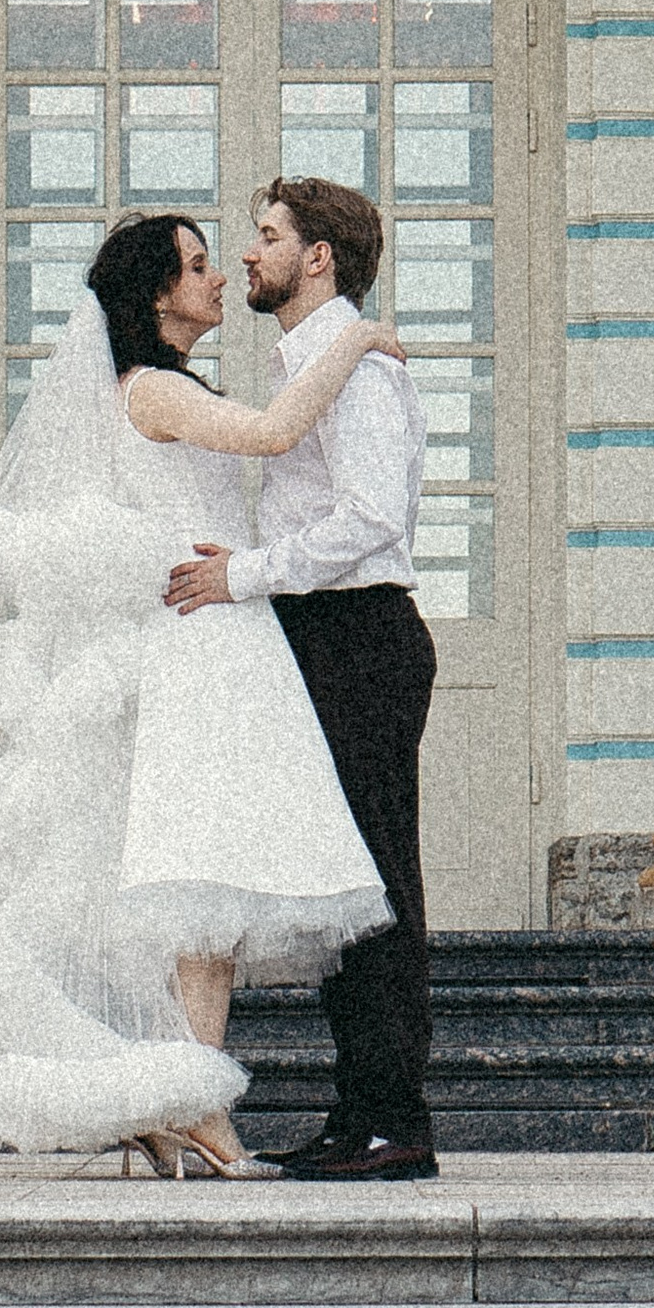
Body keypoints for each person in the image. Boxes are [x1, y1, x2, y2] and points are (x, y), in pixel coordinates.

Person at [0, 212, 399, 1174]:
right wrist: (355, 336)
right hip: (206, 646)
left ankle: (185, 1105)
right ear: (158, 294)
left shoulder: (167, 389)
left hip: (223, 640)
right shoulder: (150, 389)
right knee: (203, 900)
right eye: (199, 268)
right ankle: (194, 1109)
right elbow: (276, 433)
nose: (219, 280)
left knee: (210, 909)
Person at [163, 179, 437, 1183]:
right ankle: (361, 1112)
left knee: (372, 887)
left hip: (356, 633)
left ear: (317, 257)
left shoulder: (353, 371)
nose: (248, 255)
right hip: (323, 634)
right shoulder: (319, 365)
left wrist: (241, 575)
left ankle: (389, 1119)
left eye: (267, 238)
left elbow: (367, 520)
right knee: (345, 881)